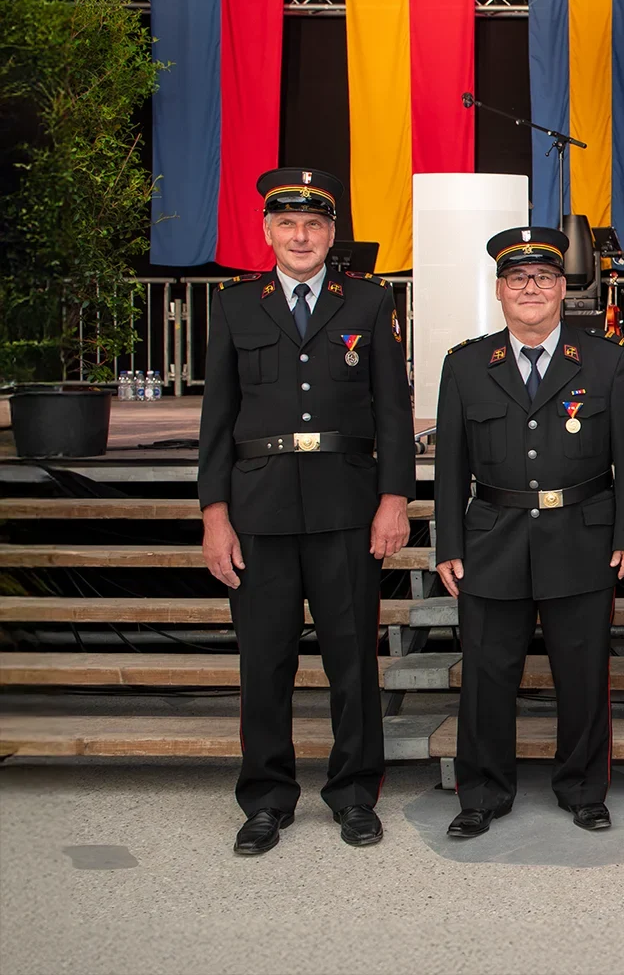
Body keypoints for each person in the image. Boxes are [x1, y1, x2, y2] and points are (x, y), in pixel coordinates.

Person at [198, 167, 413, 855]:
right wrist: (214, 514)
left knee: (353, 661)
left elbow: (393, 409)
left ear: (331, 233)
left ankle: (354, 794)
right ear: (267, 231)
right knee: (264, 664)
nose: (300, 236)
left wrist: (394, 498)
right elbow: (216, 420)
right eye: (287, 223)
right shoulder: (236, 305)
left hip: (346, 506)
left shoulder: (369, 302)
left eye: (314, 224)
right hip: (258, 511)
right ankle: (266, 798)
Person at [431, 227, 624, 839]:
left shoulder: (608, 360)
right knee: (485, 677)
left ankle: (583, 788)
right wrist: (449, 545)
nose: (531, 288)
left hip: (582, 536)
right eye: (518, 278)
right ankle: (481, 793)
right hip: (491, 540)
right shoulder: (465, 365)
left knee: (582, 676)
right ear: (499, 290)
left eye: (544, 277)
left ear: (562, 289)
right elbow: (450, 468)